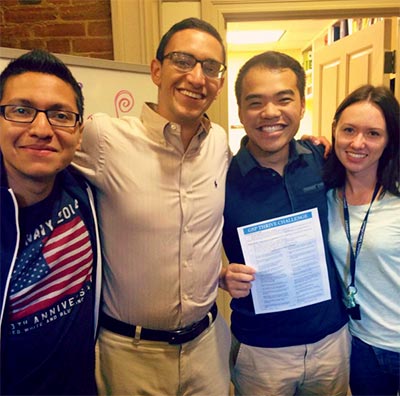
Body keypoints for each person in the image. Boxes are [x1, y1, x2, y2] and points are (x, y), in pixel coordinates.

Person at [73, 17, 231, 395]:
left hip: (206, 348)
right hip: (130, 355)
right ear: (157, 70)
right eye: (183, 61)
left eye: (210, 68)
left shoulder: (220, 143)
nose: (197, 77)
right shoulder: (104, 138)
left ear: (220, 82)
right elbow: (39, 152)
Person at [220, 50, 350, 396]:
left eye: (283, 99)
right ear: (240, 111)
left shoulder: (326, 162)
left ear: (302, 107)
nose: (270, 113)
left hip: (331, 342)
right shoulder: (218, 179)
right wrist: (221, 276)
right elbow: (186, 252)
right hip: (261, 352)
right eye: (256, 102)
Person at [0, 49, 102, 395]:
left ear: (78, 130)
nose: (42, 129)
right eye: (21, 111)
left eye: (59, 115)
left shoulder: (86, 191)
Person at [324, 84, 400, 396]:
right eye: (349, 130)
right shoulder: (325, 196)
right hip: (360, 345)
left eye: (373, 134)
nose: (358, 143)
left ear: (389, 141)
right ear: (334, 131)